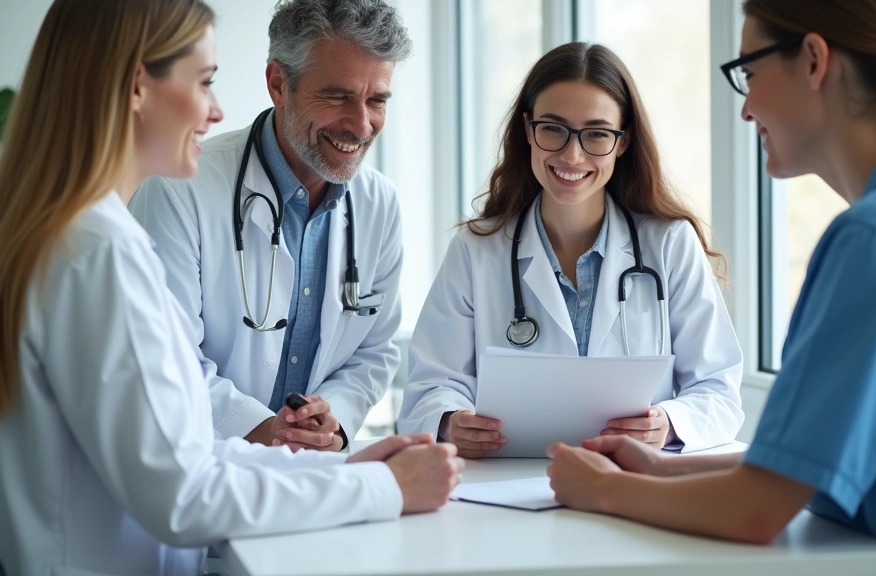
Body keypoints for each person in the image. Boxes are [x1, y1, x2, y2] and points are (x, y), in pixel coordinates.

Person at [546, 1, 876, 575]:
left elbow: (758, 510)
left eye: (750, 72)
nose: (746, 109)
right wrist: (658, 468)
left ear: (815, 60)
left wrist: (600, 490)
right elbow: (804, 465)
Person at [0, 1, 462, 574]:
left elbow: (184, 446)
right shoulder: (99, 254)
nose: (217, 109)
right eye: (204, 81)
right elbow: (183, 493)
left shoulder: (83, 235)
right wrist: (381, 489)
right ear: (137, 88)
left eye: (376, 99)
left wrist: (349, 467)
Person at [398, 42, 744, 458]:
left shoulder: (669, 244)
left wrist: (667, 424)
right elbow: (429, 387)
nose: (571, 154)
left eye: (597, 133)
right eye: (553, 129)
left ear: (623, 141)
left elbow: (719, 391)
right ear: (528, 130)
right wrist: (450, 422)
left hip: (630, 489)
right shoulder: (477, 250)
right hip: (504, 491)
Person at [130, 0, 409, 452]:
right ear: (279, 84)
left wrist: (331, 422)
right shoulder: (179, 189)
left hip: (314, 469)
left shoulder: (380, 204)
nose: (361, 125)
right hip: (205, 462)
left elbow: (374, 352)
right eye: (338, 96)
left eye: (376, 100)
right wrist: (263, 431)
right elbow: (164, 358)